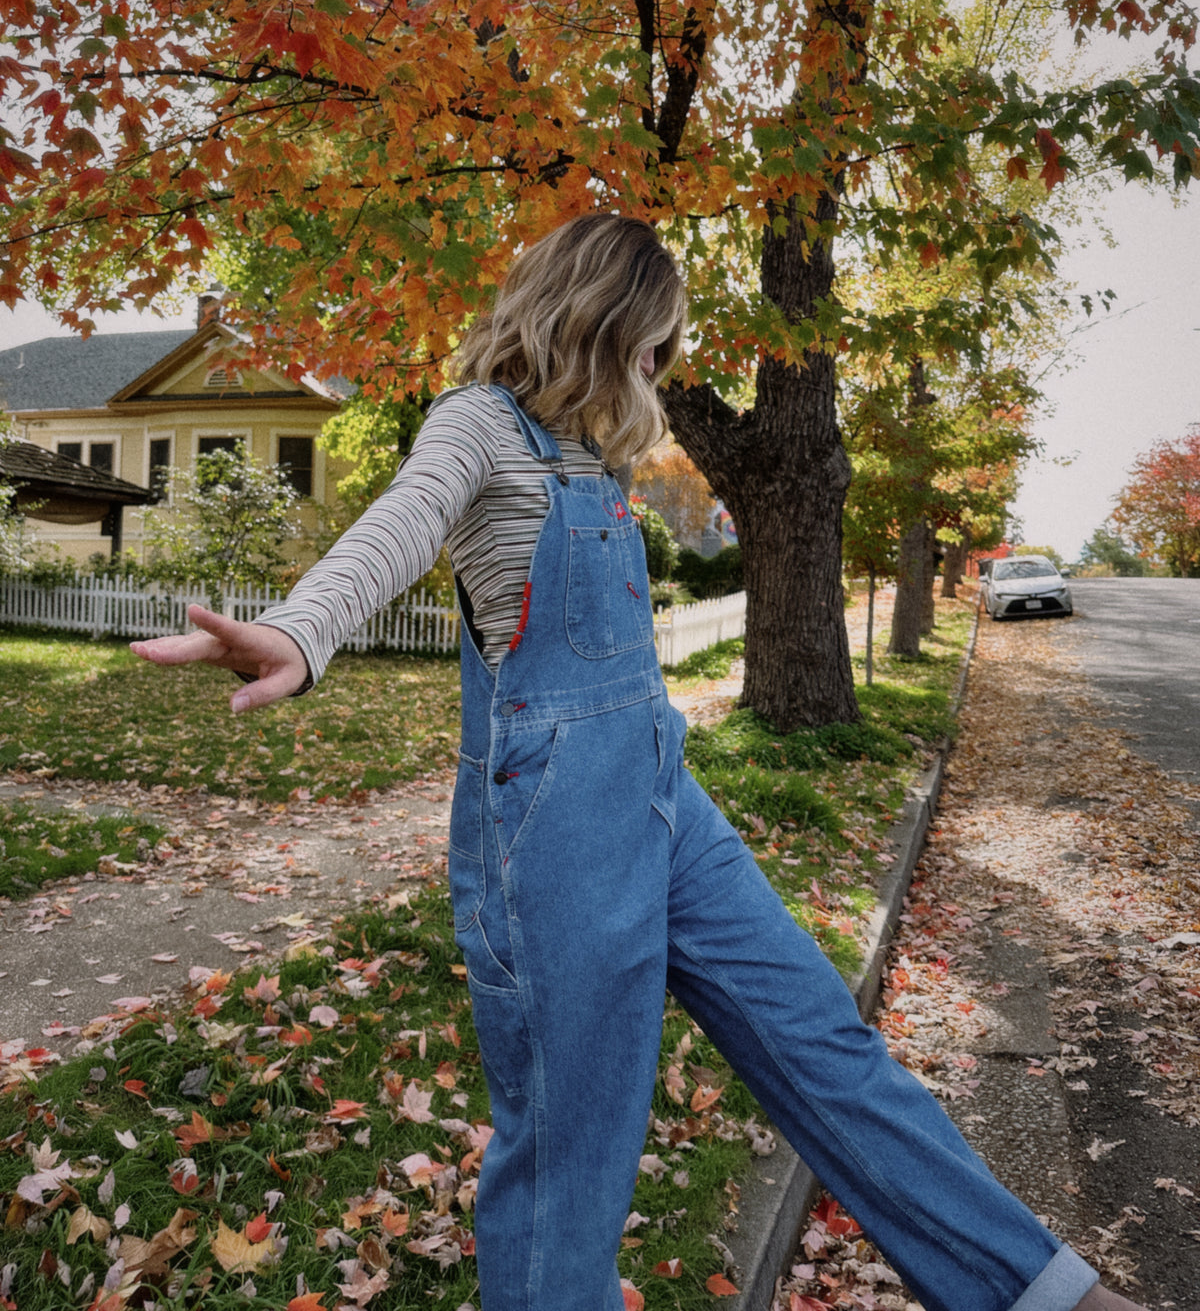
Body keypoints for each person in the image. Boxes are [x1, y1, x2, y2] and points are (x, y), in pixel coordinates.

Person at [132, 214, 1143, 1311]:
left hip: (665, 801)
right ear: (602, 318)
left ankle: (1045, 1296)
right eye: (657, 338)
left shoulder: (591, 453)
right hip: (556, 832)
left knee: (825, 1046)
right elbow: (400, 522)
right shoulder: (479, 423)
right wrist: (301, 629)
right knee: (573, 1154)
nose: (664, 363)